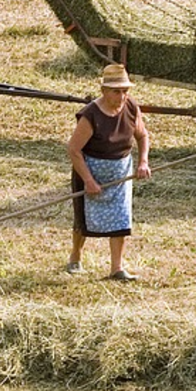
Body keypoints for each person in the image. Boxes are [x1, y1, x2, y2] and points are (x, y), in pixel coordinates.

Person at [65, 63, 152, 281]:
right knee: (84, 219)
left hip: (121, 171)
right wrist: (88, 180)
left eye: (125, 91)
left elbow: (142, 136)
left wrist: (143, 162)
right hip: (91, 170)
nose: (121, 96)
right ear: (104, 91)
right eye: (116, 91)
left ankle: (116, 268)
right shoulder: (91, 115)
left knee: (121, 219)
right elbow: (74, 150)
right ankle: (75, 256)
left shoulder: (131, 107)